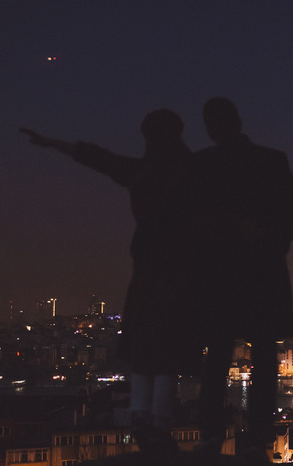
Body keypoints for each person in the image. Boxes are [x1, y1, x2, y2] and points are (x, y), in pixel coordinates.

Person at [20, 109, 196, 454]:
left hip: (147, 266)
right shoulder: (191, 172)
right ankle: (158, 420)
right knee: (168, 346)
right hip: (181, 269)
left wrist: (52, 143)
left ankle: (142, 417)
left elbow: (98, 158)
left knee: (146, 345)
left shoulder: (142, 172)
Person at [190, 98, 293, 461]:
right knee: (265, 356)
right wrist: (270, 241)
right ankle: (257, 438)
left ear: (210, 127)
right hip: (262, 269)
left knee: (217, 354)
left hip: (219, 271)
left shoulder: (203, 165)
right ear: (238, 121)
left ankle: (210, 434)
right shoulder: (272, 160)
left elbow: (190, 216)